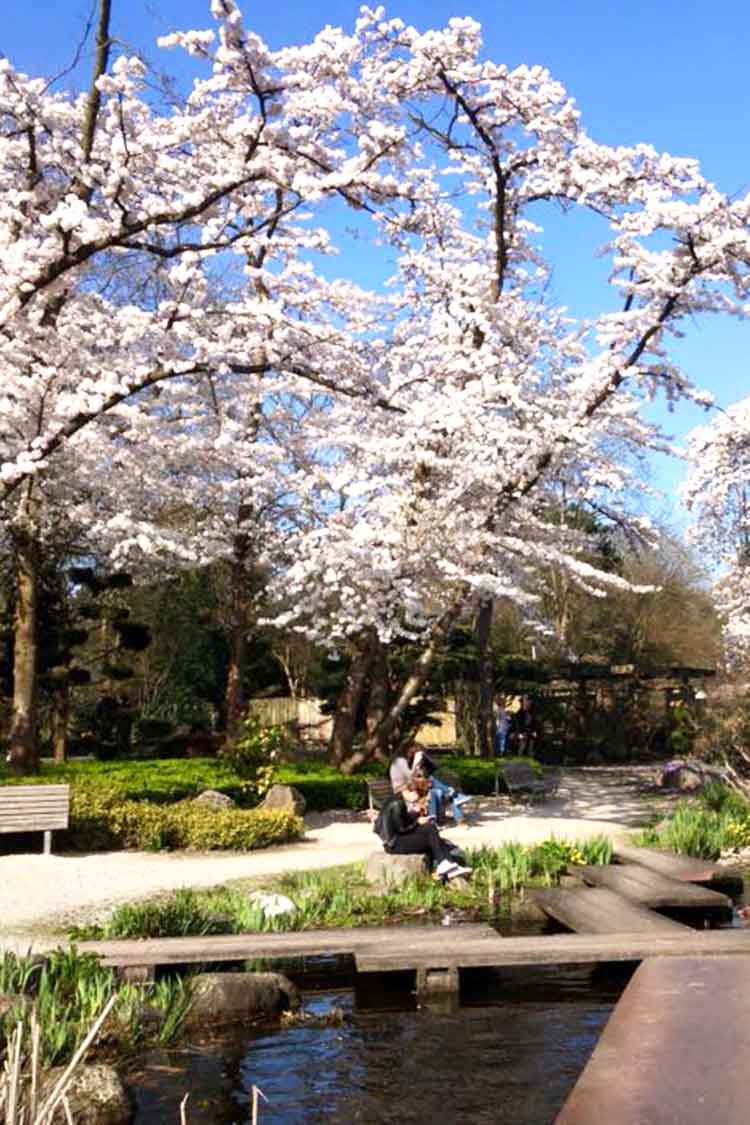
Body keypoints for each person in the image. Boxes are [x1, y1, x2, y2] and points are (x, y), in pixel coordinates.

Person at [374, 779, 472, 880]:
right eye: (418, 796)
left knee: (431, 831)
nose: (417, 800)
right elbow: (402, 828)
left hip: (394, 840)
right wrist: (417, 822)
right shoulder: (398, 804)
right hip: (394, 844)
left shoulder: (396, 800)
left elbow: (401, 820)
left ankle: (446, 864)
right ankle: (445, 864)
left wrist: (415, 814)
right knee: (431, 833)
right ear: (411, 791)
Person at [408, 745, 472, 824]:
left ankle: (460, 819)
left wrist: (424, 758)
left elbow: (435, 768)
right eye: (419, 756)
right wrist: (415, 763)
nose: (421, 759)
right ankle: (453, 795)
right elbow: (409, 780)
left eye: (422, 757)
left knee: (448, 794)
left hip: (430, 787)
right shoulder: (409, 766)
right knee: (448, 792)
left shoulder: (424, 765)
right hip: (420, 790)